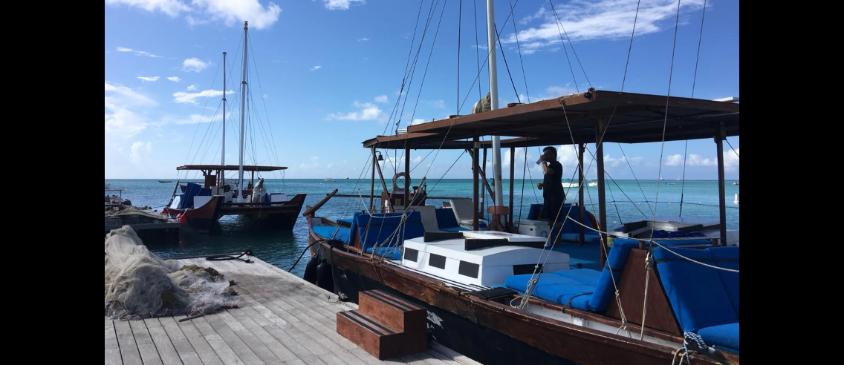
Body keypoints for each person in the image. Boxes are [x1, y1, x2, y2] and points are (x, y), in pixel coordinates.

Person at [537, 146, 565, 226]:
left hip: (556, 197)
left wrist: (543, 162)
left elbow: (548, 172)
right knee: (544, 218)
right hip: (548, 197)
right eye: (544, 154)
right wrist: (542, 184)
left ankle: (558, 238)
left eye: (546, 154)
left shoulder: (557, 165)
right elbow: (550, 179)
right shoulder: (549, 166)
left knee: (555, 220)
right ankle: (549, 237)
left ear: (552, 155)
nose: (545, 156)